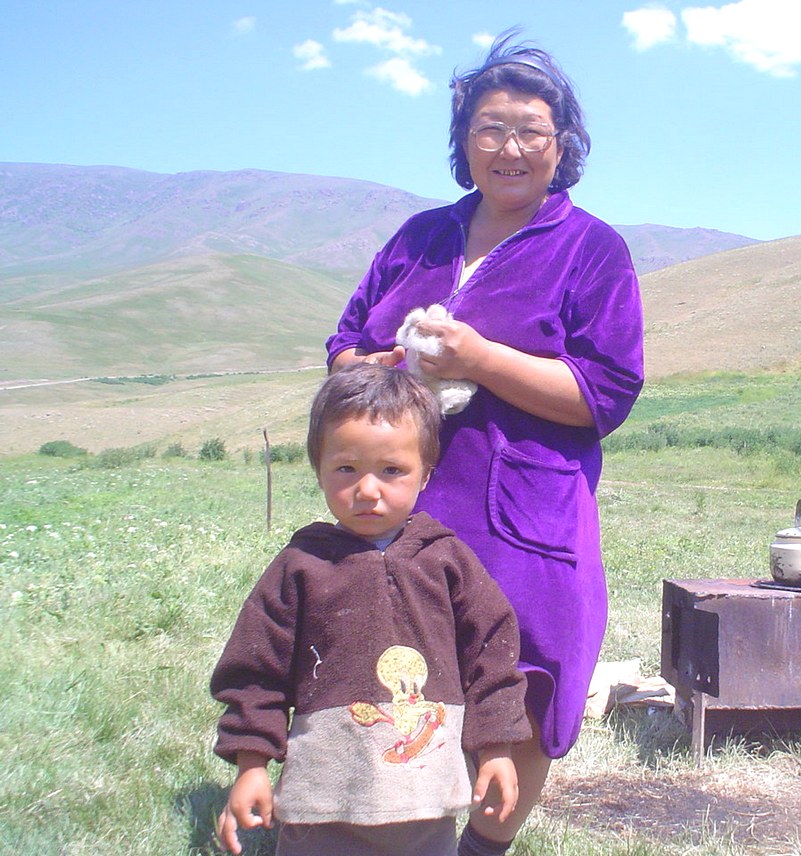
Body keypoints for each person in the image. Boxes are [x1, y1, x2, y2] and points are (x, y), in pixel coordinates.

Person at [325, 32, 644, 856]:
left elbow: (604, 393)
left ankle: (482, 847)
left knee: (524, 683)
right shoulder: (418, 239)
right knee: (397, 678)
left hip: (523, 522)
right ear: (464, 143)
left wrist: (478, 361)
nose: (509, 148)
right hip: (397, 512)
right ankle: (397, 834)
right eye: (489, 128)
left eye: (530, 131)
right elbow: (343, 345)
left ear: (561, 145)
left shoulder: (591, 250)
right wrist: (386, 364)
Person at [211, 364, 532, 856]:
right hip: (323, 796)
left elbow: (492, 654)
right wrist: (251, 764)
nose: (367, 489)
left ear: (425, 474)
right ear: (318, 467)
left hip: (424, 797)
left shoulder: (447, 561)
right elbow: (256, 672)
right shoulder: (300, 567)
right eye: (346, 469)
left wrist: (496, 748)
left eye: (391, 470)